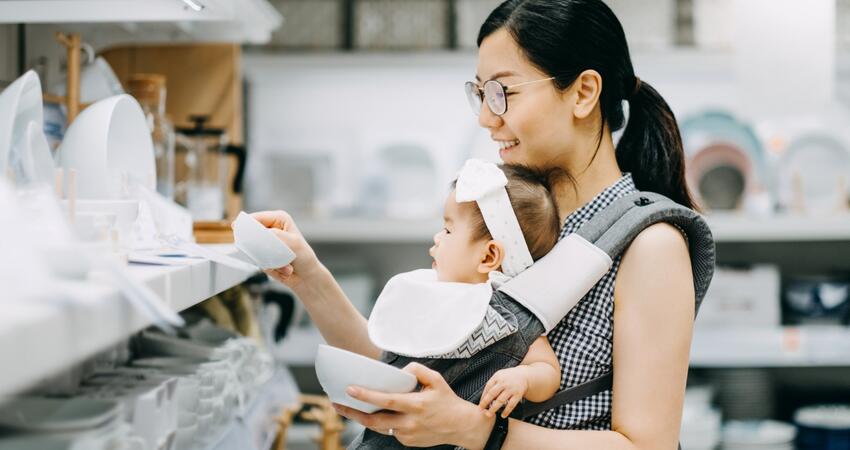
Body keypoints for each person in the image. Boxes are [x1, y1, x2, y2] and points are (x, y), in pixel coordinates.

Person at [254, 0, 708, 448]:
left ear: (584, 92)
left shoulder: (651, 245)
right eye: (480, 93)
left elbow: (647, 445)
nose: (487, 119)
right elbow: (407, 372)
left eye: (502, 93)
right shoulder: (506, 220)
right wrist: (307, 275)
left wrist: (476, 431)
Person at [351, 160, 563, 449]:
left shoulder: (508, 315)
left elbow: (548, 370)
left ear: (489, 257)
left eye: (448, 231)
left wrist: (523, 378)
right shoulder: (429, 292)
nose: (437, 238)